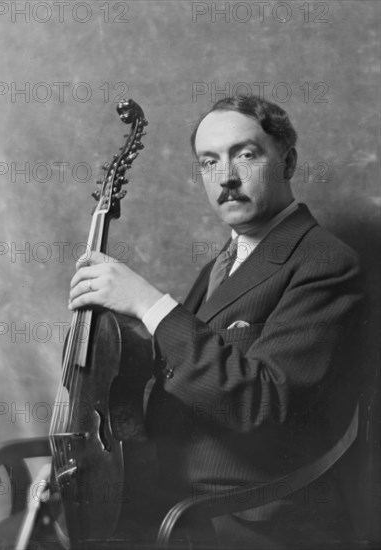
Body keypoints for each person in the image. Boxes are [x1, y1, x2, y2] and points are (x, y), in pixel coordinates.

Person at [69, 96, 363, 549]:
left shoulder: (325, 261)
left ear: (287, 162)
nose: (225, 177)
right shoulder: (224, 264)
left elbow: (263, 402)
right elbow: (187, 377)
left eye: (245, 154)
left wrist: (149, 303)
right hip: (167, 498)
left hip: (248, 518)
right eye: (209, 161)